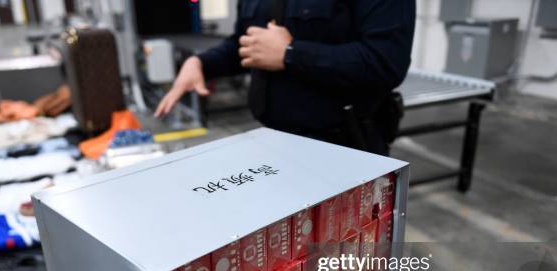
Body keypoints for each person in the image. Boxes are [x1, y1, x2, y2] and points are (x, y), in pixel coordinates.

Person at [155, 0, 415, 156]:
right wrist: (201, 63)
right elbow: (247, 44)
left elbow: (386, 61)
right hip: (274, 143)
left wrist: (291, 54)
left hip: (348, 149)